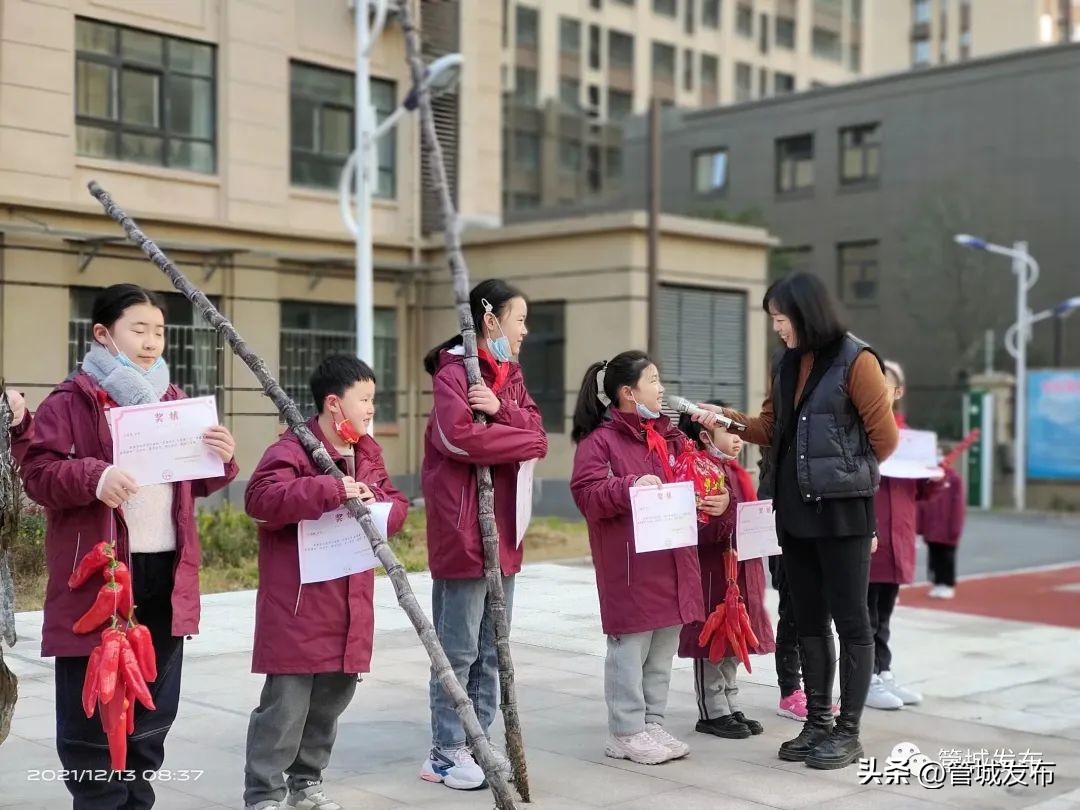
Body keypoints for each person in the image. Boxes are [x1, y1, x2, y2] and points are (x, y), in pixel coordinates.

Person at [21, 284, 238, 809]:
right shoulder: (70, 401)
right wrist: (95, 477)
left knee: (150, 710)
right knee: (93, 716)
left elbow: (191, 482)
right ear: (103, 334)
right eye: (138, 330)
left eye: (158, 332)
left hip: (166, 573)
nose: (151, 343)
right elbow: (38, 473)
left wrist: (222, 458)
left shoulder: (172, 399)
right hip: (100, 578)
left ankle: (138, 800)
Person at [698, 272, 899, 770]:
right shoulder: (787, 362)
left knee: (852, 621)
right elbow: (771, 427)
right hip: (795, 511)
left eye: (781, 319)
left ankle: (847, 732)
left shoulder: (858, 361)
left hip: (844, 512)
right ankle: (818, 723)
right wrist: (724, 419)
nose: (777, 329)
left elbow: (885, 440)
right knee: (808, 619)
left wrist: (843, 472)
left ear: (805, 314)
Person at [242, 355, 409, 810]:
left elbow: (396, 503)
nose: (372, 409)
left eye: (374, 399)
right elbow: (259, 501)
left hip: (349, 603)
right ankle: (264, 793)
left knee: (330, 702)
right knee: (286, 708)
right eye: (366, 400)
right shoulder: (293, 449)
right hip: (298, 606)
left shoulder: (367, 452)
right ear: (334, 405)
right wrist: (333, 490)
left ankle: (306, 784)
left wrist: (380, 505)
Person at [419, 279, 548, 791]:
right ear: (490, 321)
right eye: (519, 319)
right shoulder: (455, 373)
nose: (525, 331)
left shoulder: (508, 378)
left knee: (494, 648)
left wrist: (501, 412)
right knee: (458, 650)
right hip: (464, 533)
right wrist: (515, 435)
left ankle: (479, 738)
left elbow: (537, 433)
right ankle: (446, 750)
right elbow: (459, 437)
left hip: (505, 534)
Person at [570, 351, 710, 765]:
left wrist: (708, 495)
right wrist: (630, 486)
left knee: (662, 648)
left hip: (671, 557)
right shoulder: (601, 441)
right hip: (630, 563)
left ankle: (651, 721)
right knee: (630, 649)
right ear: (629, 393)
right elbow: (587, 494)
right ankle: (626, 730)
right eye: (653, 380)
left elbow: (688, 479)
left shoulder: (668, 436)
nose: (661, 388)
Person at [677, 406, 775, 740]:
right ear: (705, 435)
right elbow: (701, 526)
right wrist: (730, 516)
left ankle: (730, 703)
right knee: (713, 638)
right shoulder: (699, 470)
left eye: (739, 431)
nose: (738, 439)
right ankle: (712, 710)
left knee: (736, 638)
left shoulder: (734, 470)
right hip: (712, 569)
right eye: (730, 432)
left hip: (739, 568)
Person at [866, 361, 940, 711]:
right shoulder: (861, 431)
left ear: (898, 392)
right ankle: (864, 679)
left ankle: (883, 672)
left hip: (899, 540)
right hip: (869, 537)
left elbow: (917, 495)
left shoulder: (910, 440)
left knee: (883, 613)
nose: (881, 389)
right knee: (864, 615)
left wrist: (932, 478)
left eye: (888, 385)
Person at [919, 462, 966, 599]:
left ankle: (947, 584)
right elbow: (922, 503)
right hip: (931, 528)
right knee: (934, 557)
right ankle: (937, 582)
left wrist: (955, 527)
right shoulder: (928, 478)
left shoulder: (954, 479)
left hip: (946, 528)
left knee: (947, 556)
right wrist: (922, 526)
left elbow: (958, 505)